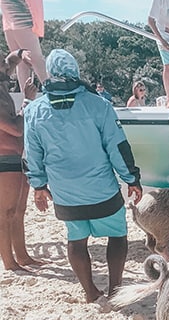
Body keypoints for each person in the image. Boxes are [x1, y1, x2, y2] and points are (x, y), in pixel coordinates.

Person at [23, 49, 143, 302]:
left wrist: (39, 185)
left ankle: (90, 292)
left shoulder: (35, 110)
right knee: (118, 235)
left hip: (64, 192)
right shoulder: (99, 105)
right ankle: (115, 289)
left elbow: (32, 153)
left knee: (76, 239)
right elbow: (117, 147)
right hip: (101, 188)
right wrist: (131, 178)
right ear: (75, 72)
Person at [0, 47, 39, 270]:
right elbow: (15, 129)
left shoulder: (2, 84)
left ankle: (22, 256)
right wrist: (27, 102)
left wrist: (23, 52)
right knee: (5, 213)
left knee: (19, 210)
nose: (7, 69)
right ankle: (9, 261)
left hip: (15, 155)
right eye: (3, 67)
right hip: (4, 156)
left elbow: (11, 59)